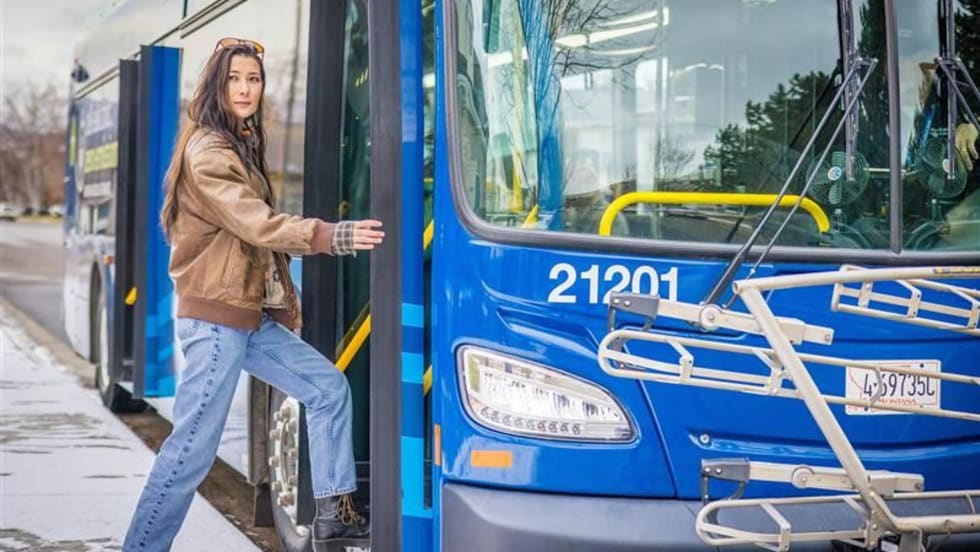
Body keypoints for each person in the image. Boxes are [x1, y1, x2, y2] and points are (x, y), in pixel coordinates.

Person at [123, 37, 382, 551]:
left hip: (244, 317)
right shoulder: (209, 151)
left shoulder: (239, 142)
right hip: (218, 324)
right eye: (234, 78)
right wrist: (334, 235)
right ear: (216, 85)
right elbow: (257, 224)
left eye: (254, 79)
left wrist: (282, 301)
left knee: (327, 389)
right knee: (191, 451)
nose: (245, 88)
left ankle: (333, 514)